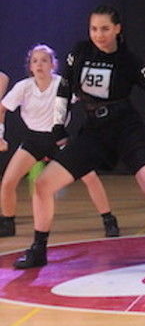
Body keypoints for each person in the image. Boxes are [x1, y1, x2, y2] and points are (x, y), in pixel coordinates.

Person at [13, 5, 145, 269]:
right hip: (94, 132)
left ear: (118, 29)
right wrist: (58, 126)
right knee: (43, 185)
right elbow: (64, 88)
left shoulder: (130, 60)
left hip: (127, 130)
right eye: (94, 29)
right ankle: (38, 249)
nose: (99, 35)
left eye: (105, 29)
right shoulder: (80, 52)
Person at [0, 44, 119, 238]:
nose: (39, 65)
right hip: (34, 140)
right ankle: (7, 223)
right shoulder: (23, 87)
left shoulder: (62, 85)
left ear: (52, 65)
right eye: (35, 61)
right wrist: (0, 135)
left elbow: (90, 95)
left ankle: (109, 219)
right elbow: (1, 109)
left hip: (59, 139)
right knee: (7, 182)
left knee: (90, 177)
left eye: (44, 60)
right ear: (30, 66)